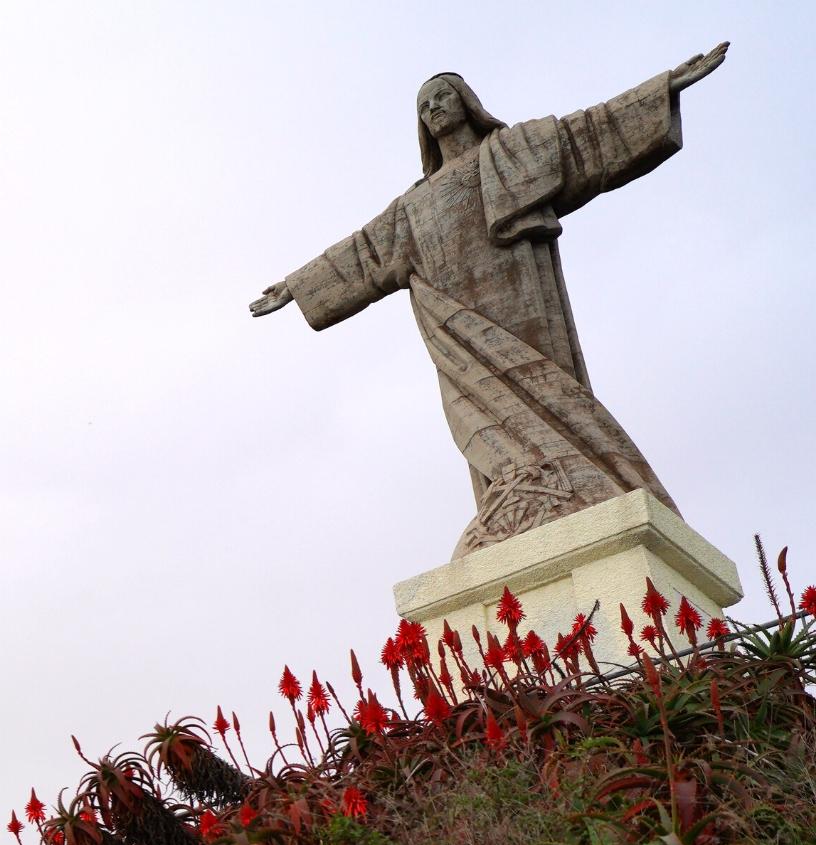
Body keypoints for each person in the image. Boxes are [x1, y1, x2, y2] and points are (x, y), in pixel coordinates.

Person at [249, 46, 728, 555]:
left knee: (551, 391)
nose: (433, 108)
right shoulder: (413, 206)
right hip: (458, 329)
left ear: (466, 103)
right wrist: (298, 285)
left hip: (523, 301)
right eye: (424, 105)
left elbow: (585, 134)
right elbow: (362, 251)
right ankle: (519, 502)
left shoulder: (514, 151)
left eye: (442, 97)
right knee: (485, 419)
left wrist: (662, 90)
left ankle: (584, 486)